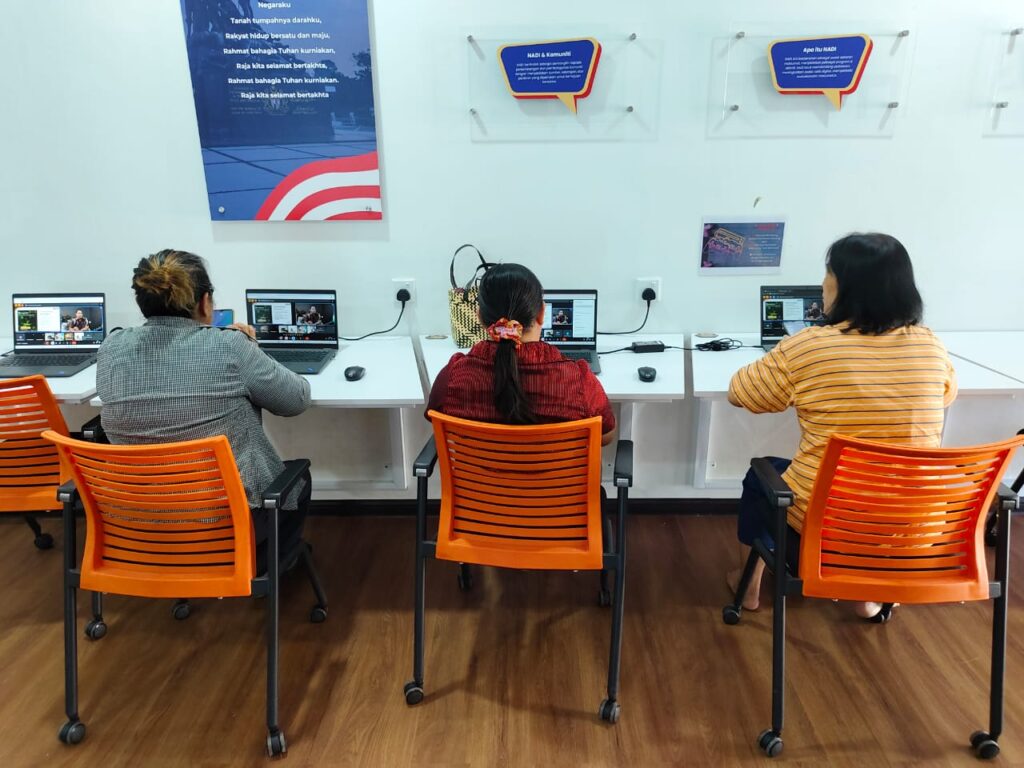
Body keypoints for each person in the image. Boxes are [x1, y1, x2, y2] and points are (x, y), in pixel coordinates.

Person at [726, 233, 957, 619]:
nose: (822, 283)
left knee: (760, 476)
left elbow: (741, 392)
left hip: (830, 526)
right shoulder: (929, 345)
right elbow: (946, 394)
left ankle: (748, 587)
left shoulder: (809, 345)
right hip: (914, 530)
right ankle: (868, 594)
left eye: (828, 274)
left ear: (845, 286)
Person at [96, 249, 313, 569]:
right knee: (298, 478)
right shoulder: (229, 345)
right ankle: (267, 571)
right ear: (205, 302)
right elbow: (296, 400)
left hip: (138, 520)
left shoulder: (111, 348)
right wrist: (249, 348)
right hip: (224, 520)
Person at [428, 263, 615, 444]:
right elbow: (606, 436)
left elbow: (436, 422)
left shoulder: (454, 377)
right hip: (553, 468)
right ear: (542, 314)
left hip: (476, 468)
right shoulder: (578, 380)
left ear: (479, 317)